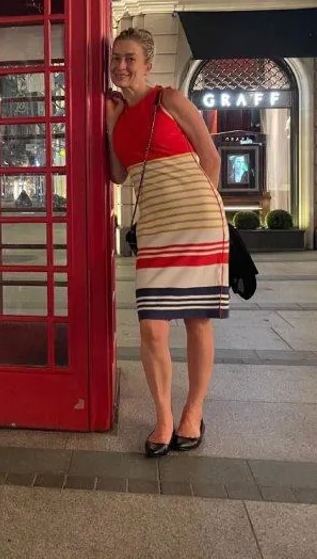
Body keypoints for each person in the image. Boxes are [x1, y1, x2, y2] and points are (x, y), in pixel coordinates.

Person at [106, 28, 229, 458]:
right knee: (152, 328)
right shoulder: (117, 114)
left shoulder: (170, 100)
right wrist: (108, 124)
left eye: (129, 58)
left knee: (198, 320)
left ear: (147, 63)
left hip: (197, 221)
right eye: (116, 58)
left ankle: (192, 411)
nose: (121, 65)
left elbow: (210, 156)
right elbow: (118, 175)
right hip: (156, 229)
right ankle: (162, 416)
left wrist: (200, 207)